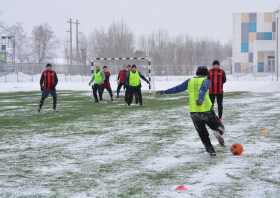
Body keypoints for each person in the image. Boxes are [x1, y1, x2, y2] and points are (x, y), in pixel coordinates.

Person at [156, 66, 225, 158]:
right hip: (206, 111)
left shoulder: (190, 81)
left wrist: (165, 91)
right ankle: (218, 132)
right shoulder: (206, 81)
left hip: (194, 113)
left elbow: (178, 88)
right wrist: (200, 98)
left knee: (202, 134)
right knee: (220, 127)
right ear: (206, 75)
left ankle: (211, 151)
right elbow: (203, 90)